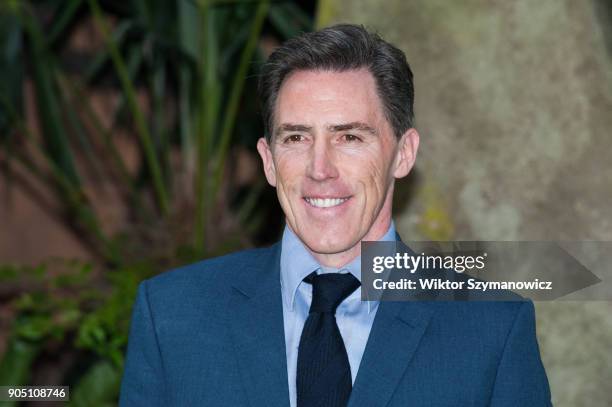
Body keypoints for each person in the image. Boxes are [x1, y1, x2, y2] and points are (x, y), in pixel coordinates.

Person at [119, 24, 551, 406]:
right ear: (268, 161)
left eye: (349, 136)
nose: (320, 169)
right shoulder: (173, 315)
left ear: (403, 154)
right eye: (296, 138)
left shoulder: (491, 328)